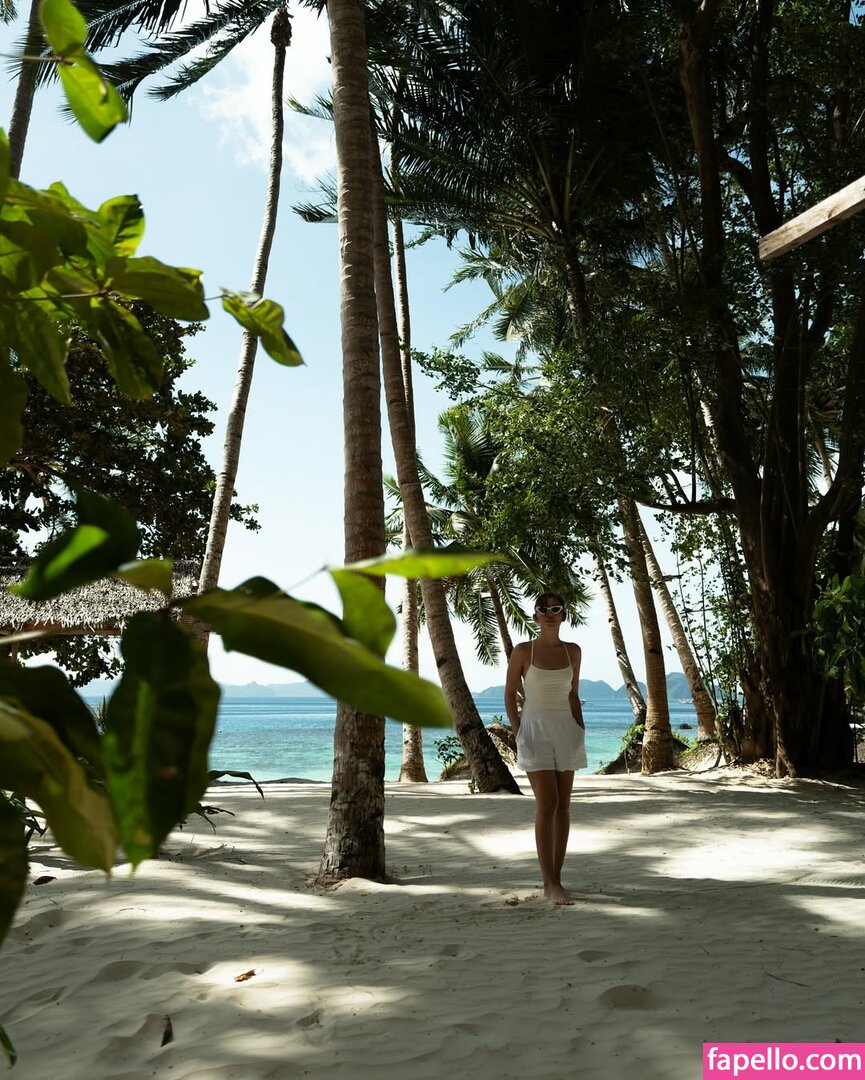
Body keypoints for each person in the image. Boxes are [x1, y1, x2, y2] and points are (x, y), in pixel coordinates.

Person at [504, 592, 586, 905]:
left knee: (563, 805)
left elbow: (573, 694)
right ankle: (548, 882)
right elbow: (510, 694)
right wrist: (518, 731)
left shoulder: (573, 651)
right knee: (547, 802)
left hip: (566, 730)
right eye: (543, 609)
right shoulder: (524, 651)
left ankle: (557, 879)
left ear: (563, 615)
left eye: (555, 609)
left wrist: (580, 730)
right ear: (535, 615)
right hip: (534, 730)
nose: (549, 614)